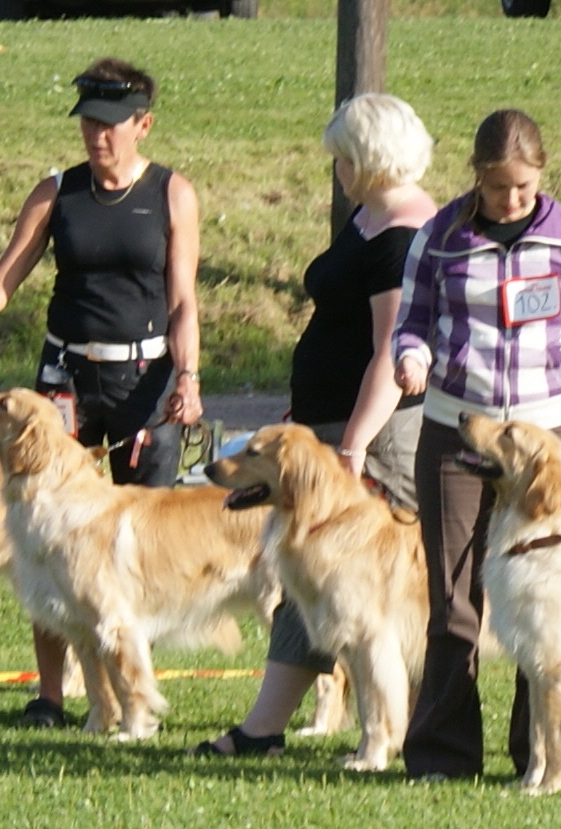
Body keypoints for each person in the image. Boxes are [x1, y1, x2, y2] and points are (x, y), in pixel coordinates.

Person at [0, 56, 203, 728]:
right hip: (65, 386)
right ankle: (52, 695)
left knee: (137, 542)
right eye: (87, 122)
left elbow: (184, 299)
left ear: (143, 125)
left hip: (145, 380)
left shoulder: (172, 193)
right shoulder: (57, 192)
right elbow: (3, 280)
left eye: (110, 124)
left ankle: (128, 693)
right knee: (43, 537)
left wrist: (189, 378)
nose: (96, 135)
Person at [192, 93, 436, 757]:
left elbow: (393, 348)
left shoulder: (403, 234)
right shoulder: (370, 218)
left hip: (373, 439)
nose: (337, 170)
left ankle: (381, 733)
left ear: (368, 157)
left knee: (358, 597)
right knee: (306, 575)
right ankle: (268, 727)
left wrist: (353, 444)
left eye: (342, 158)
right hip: (326, 431)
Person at [393, 109, 561, 780]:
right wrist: (411, 356)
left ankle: (538, 752)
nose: (512, 199)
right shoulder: (441, 234)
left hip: (543, 440)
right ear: (477, 178)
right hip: (457, 429)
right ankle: (443, 753)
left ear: (540, 174)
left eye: (523, 187)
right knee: (454, 600)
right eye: (498, 188)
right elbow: (413, 319)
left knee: (539, 600)